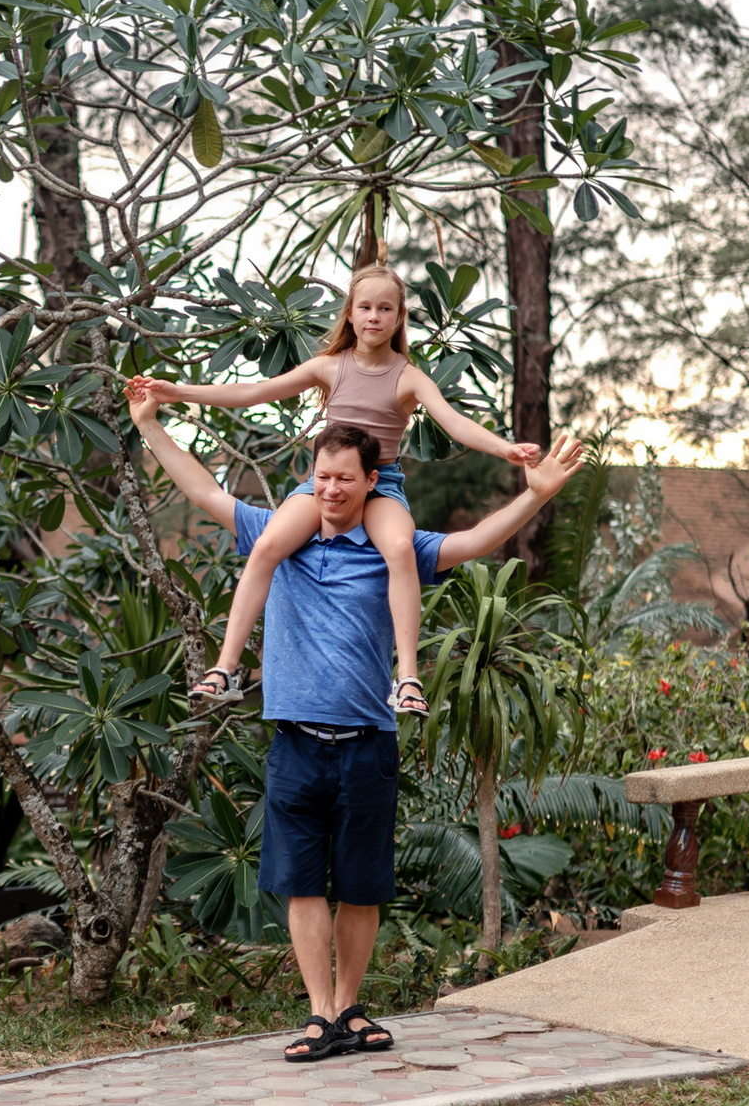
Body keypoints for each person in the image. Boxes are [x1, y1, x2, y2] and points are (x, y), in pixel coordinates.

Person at [125, 382, 585, 1063]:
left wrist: (537, 492)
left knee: (362, 886)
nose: (332, 489)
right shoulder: (281, 539)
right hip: (296, 744)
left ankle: (348, 1007)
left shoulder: (391, 547)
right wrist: (150, 427)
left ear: (375, 482)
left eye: (345, 478)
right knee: (305, 883)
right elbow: (202, 492)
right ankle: (319, 1013)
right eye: (322, 477)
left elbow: (476, 540)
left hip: (368, 744)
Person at [126, 264, 542, 719]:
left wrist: (506, 449)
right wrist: (176, 392)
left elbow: (455, 422)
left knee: (401, 548)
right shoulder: (329, 366)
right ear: (349, 314)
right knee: (266, 544)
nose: (374, 317)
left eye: (385, 309)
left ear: (400, 318)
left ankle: (407, 679)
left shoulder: (409, 376)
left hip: (379, 486)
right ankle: (226, 669)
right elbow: (253, 392)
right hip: (326, 484)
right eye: (365, 307)